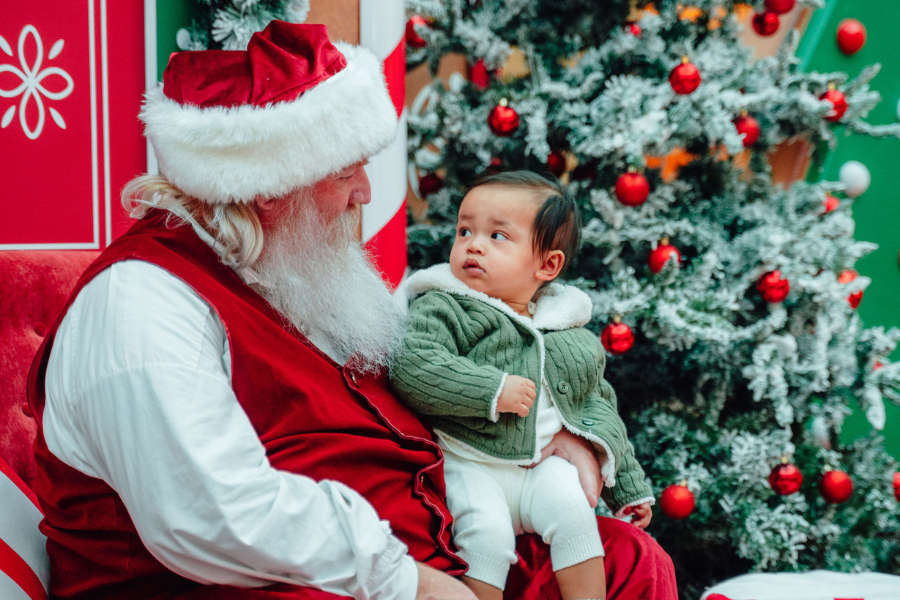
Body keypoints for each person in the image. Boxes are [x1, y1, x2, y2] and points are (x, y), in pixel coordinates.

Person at [25, 21, 677, 600]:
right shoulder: (142, 302)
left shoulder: (292, 273)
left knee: (628, 561)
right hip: (267, 586)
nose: (365, 192)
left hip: (421, 553)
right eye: (345, 172)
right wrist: (411, 583)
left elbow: (424, 397)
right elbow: (210, 515)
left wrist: (555, 438)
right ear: (268, 188)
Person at [389, 173, 654, 600]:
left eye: (497, 236)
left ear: (547, 265)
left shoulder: (567, 330)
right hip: (469, 460)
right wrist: (491, 389)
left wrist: (627, 487)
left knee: (575, 518)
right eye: (465, 231)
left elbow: (597, 409)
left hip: (541, 465)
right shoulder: (444, 305)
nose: (474, 245)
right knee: (486, 538)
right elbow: (413, 364)